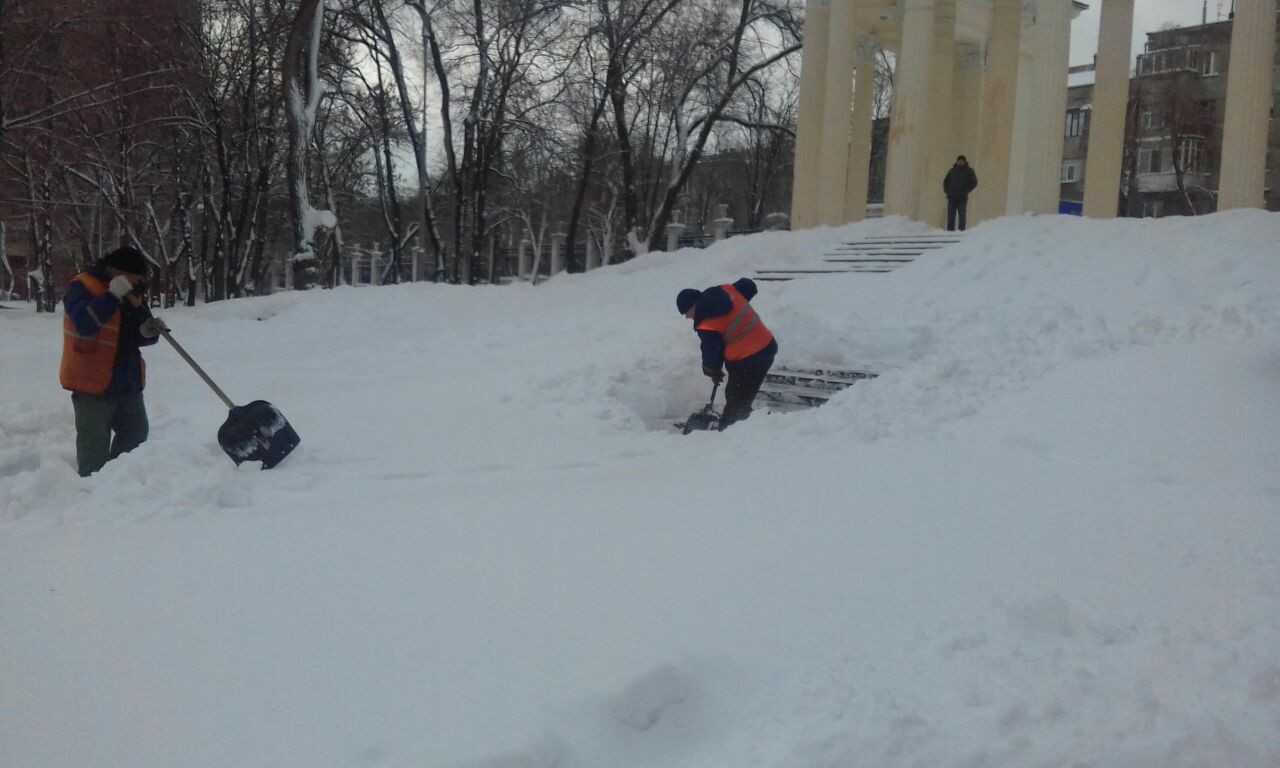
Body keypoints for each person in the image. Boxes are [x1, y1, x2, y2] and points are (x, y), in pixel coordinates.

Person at [60, 246, 168, 476]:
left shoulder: (133, 292)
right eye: (134, 278)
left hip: (127, 381)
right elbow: (85, 323)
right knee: (94, 453)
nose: (138, 283)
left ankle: (119, 484)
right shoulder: (82, 286)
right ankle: (90, 499)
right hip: (92, 383)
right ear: (116, 272)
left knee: (136, 435)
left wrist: (148, 331)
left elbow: (131, 334)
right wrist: (111, 296)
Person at [675, 277, 778, 430]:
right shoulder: (726, 290)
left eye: (687, 312)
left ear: (694, 305)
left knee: (736, 403)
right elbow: (749, 286)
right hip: (766, 346)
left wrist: (712, 371)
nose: (687, 317)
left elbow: (712, 353)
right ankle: (752, 425)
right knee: (738, 397)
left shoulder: (706, 322)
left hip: (749, 359)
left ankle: (730, 435)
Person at [943, 155, 978, 232]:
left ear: (965, 162)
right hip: (952, 197)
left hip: (962, 197)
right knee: (950, 215)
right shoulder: (952, 171)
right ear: (957, 161)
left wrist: (966, 190)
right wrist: (948, 191)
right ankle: (949, 231)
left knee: (962, 215)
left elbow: (974, 182)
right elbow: (945, 182)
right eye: (959, 161)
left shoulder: (969, 171)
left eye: (962, 161)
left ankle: (961, 230)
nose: (960, 162)